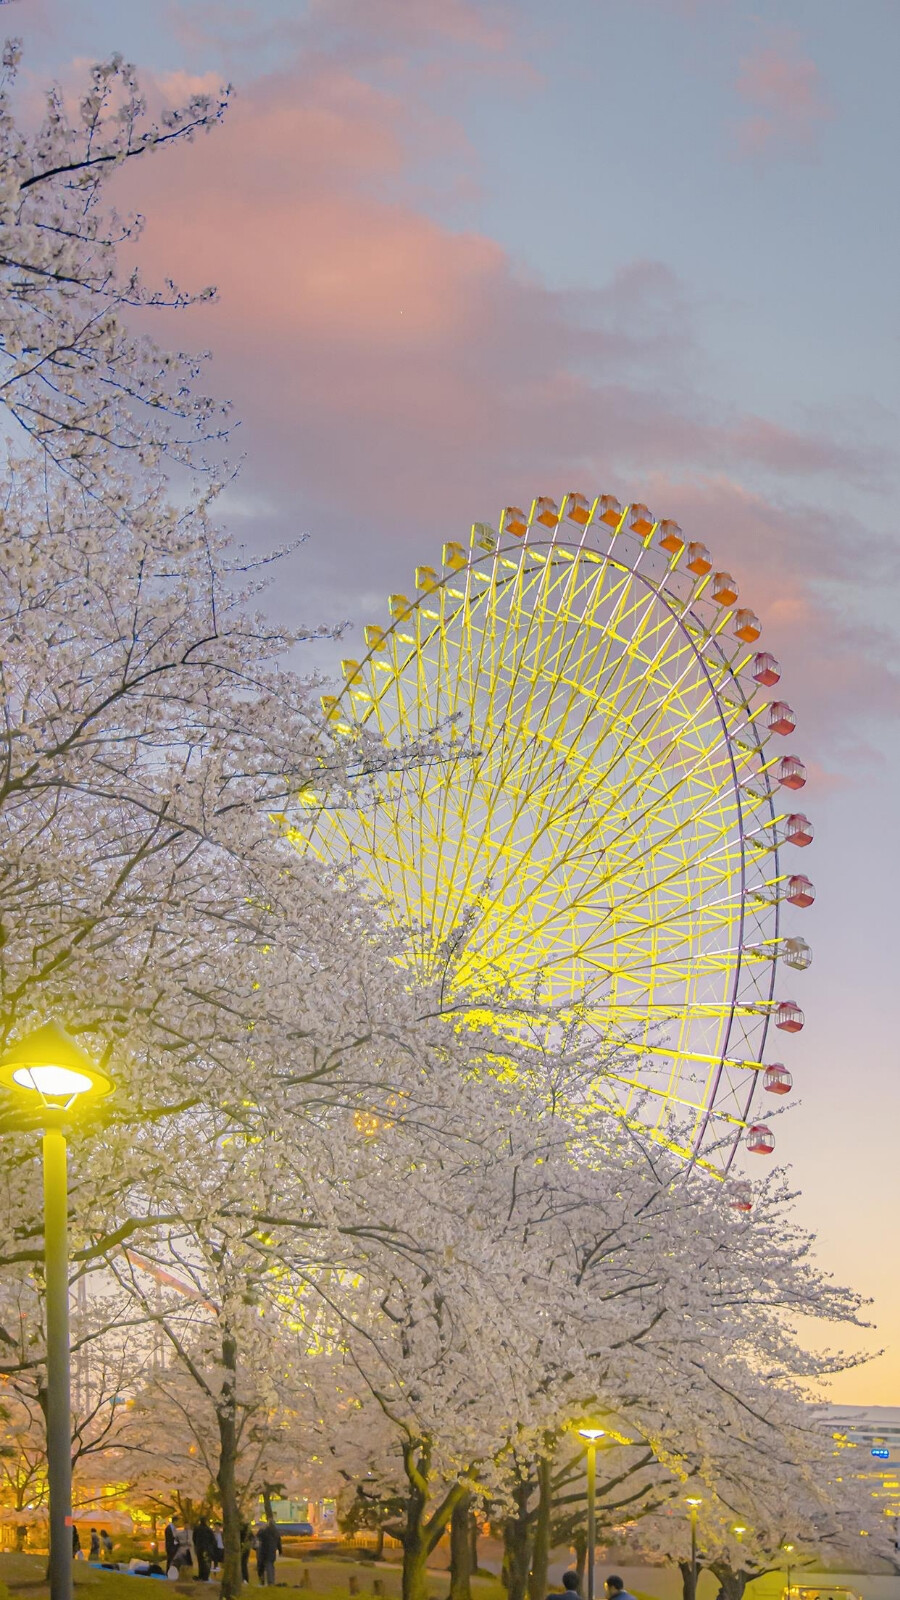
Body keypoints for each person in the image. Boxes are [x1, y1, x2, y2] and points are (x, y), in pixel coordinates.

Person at [255, 1518, 282, 1586]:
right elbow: (279, 1542)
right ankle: (271, 1581)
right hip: (272, 1551)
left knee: (261, 1566)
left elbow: (257, 1536)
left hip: (264, 1551)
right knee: (270, 1566)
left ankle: (263, 1581)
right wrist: (280, 1551)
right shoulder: (276, 1532)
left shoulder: (264, 1530)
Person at [193, 1516, 217, 1582]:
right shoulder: (208, 1530)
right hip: (207, 1548)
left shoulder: (197, 1529)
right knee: (206, 1563)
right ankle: (205, 1576)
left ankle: (201, 1575)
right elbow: (213, 1540)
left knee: (200, 1562)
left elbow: (194, 1538)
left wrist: (196, 1545)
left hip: (199, 1548)